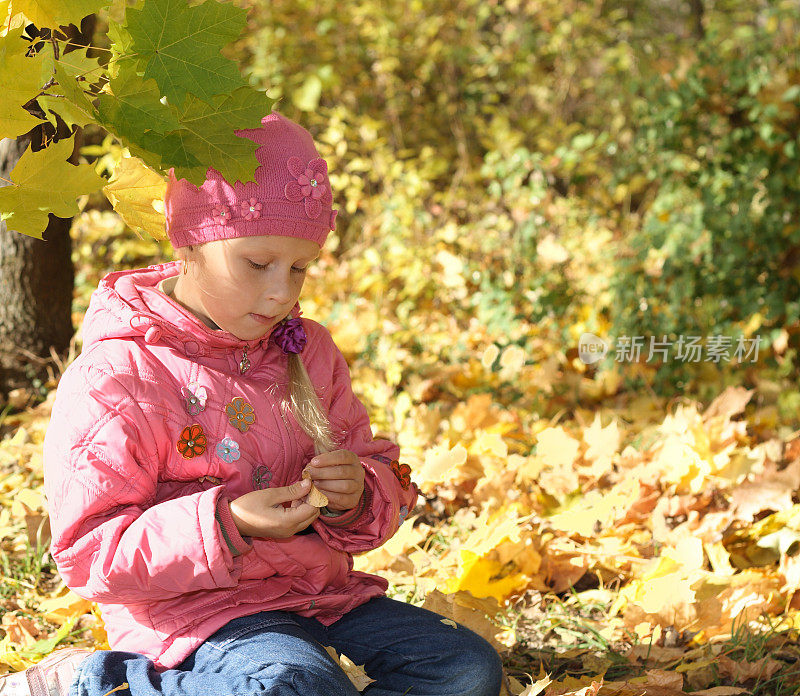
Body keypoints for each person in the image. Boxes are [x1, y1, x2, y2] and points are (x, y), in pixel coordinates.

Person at [0, 111, 504, 696]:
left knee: (464, 670)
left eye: (299, 268)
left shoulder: (306, 350)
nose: (281, 292)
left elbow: (377, 466)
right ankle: (100, 682)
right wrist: (228, 521)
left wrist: (358, 493)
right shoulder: (119, 374)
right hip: (197, 617)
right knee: (293, 687)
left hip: (318, 597)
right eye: (257, 264)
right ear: (190, 241)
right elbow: (89, 553)